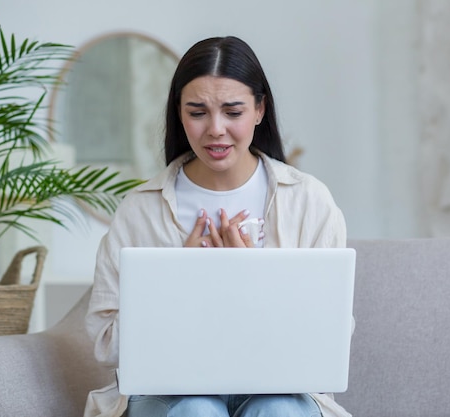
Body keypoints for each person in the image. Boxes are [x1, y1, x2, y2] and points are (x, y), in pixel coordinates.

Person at [84, 36, 350, 417]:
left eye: (233, 111)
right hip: (169, 389)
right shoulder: (139, 210)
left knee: (279, 411)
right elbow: (105, 344)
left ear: (259, 109)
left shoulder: (309, 201)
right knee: (196, 409)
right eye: (197, 112)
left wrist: (253, 279)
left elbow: (330, 339)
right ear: (178, 113)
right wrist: (177, 282)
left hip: (279, 388)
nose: (215, 129)